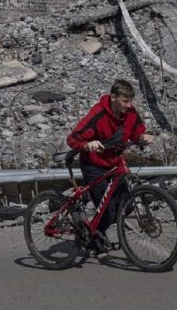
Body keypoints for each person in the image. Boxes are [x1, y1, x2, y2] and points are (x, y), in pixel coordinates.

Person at [66, 79, 154, 254]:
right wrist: (87, 145)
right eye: (125, 101)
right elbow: (73, 138)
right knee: (108, 210)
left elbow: (137, 131)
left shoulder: (130, 113)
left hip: (115, 163)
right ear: (113, 97)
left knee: (127, 205)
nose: (129, 105)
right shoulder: (98, 114)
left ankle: (96, 232)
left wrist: (143, 137)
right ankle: (92, 237)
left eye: (130, 101)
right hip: (94, 165)